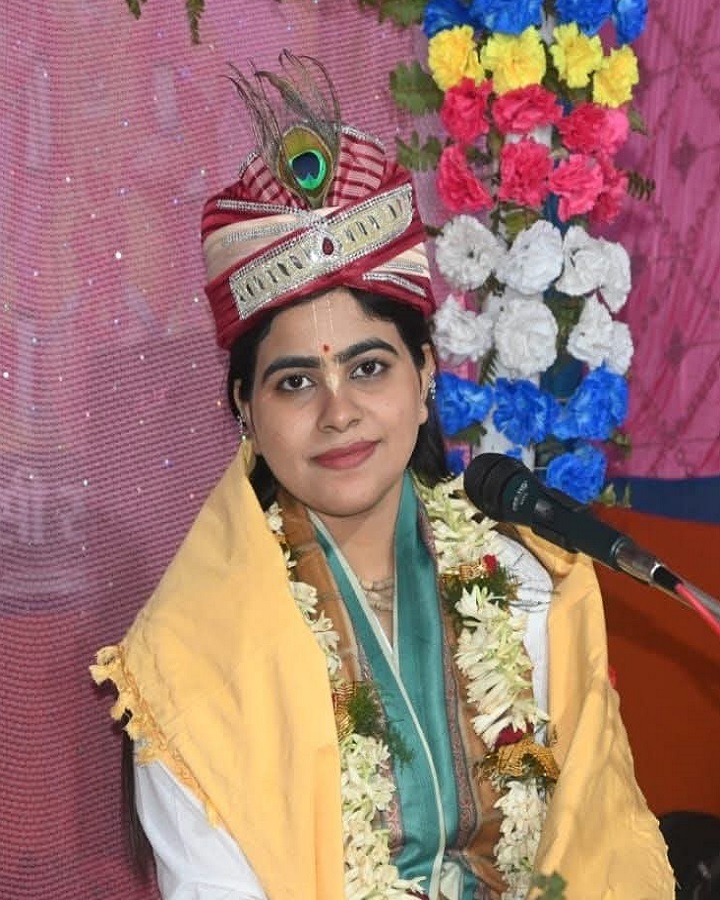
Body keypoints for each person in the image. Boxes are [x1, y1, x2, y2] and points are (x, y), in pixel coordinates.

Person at [92, 52, 675, 900]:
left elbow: (588, 846)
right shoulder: (194, 659)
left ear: (426, 371)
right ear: (244, 408)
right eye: (295, 382)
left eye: (369, 368)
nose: (339, 412)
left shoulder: (525, 585)